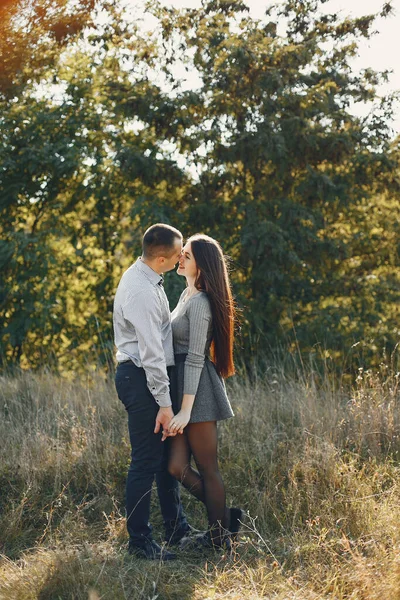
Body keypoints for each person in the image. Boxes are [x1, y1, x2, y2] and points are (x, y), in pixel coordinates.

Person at [113, 223, 191, 561]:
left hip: (149, 377)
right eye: (177, 255)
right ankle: (140, 542)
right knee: (145, 460)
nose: (180, 259)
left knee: (162, 459)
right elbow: (152, 352)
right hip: (141, 378)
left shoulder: (149, 278)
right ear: (161, 258)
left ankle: (176, 529)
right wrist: (163, 402)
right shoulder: (141, 291)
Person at [166, 233, 243, 551]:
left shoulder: (200, 303)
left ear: (201, 264)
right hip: (181, 385)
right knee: (176, 467)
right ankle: (225, 519)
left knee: (208, 467)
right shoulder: (186, 296)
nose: (179, 257)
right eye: (181, 253)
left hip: (197, 390)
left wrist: (185, 410)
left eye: (186, 254)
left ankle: (218, 537)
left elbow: (196, 356)